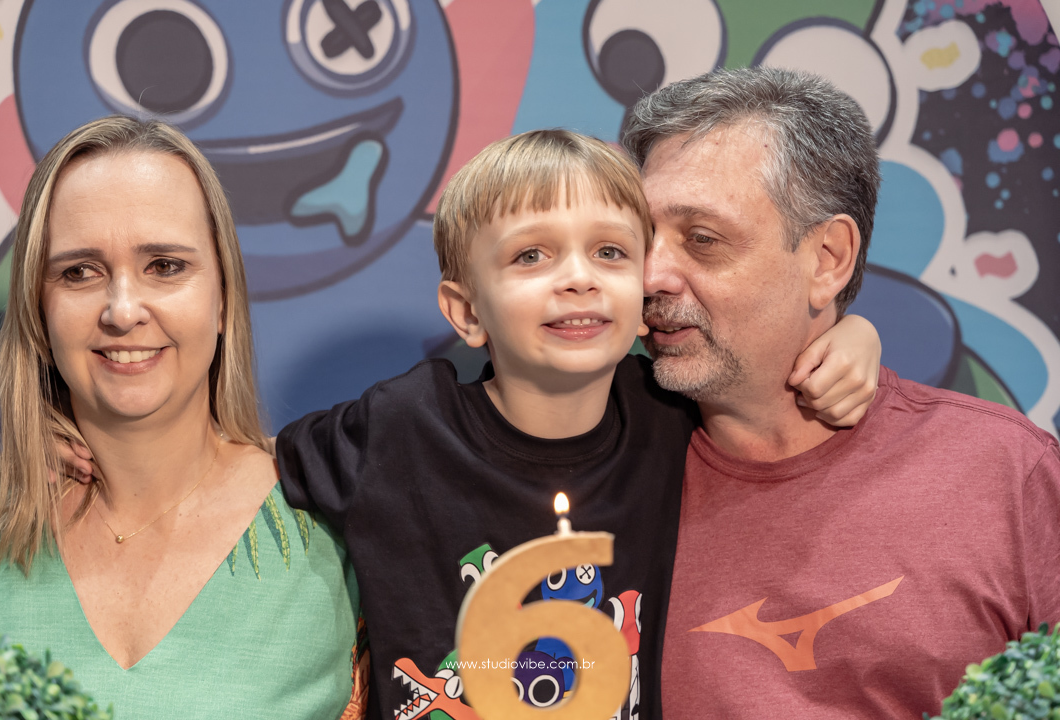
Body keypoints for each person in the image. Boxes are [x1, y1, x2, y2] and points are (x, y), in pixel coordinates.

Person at [276, 129, 882, 720]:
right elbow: (245, 465)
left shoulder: (666, 413)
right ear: (467, 312)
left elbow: (768, 376)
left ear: (643, 295)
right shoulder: (400, 426)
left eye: (609, 252)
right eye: (530, 255)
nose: (578, 277)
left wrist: (855, 333)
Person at [621, 67, 1060, 718]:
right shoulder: (602, 468)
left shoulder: (1005, 472)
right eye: (637, 239)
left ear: (828, 258)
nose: (650, 275)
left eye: (703, 240)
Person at [0, 117, 364, 720]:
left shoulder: (336, 519)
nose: (122, 310)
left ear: (223, 297)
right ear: (37, 308)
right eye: (79, 272)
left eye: (164, 266)